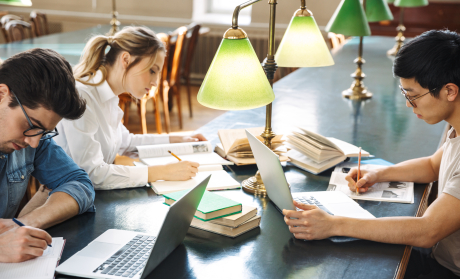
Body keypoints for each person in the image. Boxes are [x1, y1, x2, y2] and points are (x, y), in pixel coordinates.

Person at [283, 29, 460, 279]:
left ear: (449, 91)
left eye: (413, 96)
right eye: (405, 94)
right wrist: (378, 172)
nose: (409, 105)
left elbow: (427, 230)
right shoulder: (455, 123)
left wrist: (335, 224)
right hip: (439, 256)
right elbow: (433, 165)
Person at [54, 26, 206, 190]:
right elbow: (92, 174)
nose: (155, 82)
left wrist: (178, 140)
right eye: (152, 71)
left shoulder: (108, 95)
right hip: (64, 193)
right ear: (125, 59)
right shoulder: (83, 97)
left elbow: (126, 143)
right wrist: (162, 172)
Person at [0, 48, 95, 263]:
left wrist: (24, 223)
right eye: (31, 125)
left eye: (43, 132)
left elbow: (79, 184)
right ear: (2, 94)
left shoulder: (33, 139)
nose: (33, 142)